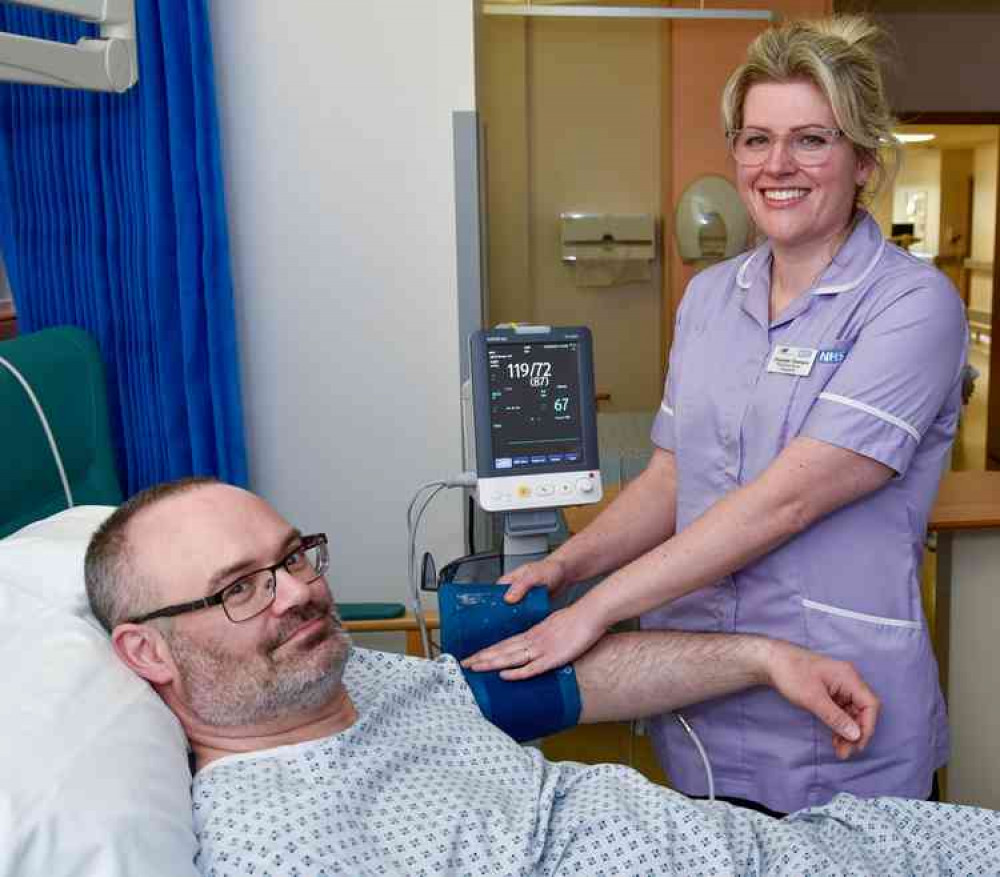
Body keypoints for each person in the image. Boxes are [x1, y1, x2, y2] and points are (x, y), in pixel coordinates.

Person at [464, 16, 966, 817]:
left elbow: (788, 499)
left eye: (812, 139)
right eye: (755, 139)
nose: (777, 165)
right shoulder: (709, 298)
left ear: (864, 158)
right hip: (699, 690)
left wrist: (597, 609)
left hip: (840, 701)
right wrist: (570, 564)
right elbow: (672, 475)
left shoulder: (911, 305)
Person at [83, 477, 1000, 877]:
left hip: (805, 848)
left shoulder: (361, 680)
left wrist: (761, 658)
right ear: (146, 652)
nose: (298, 593)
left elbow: (562, 683)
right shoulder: (278, 841)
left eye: (293, 556)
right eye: (240, 588)